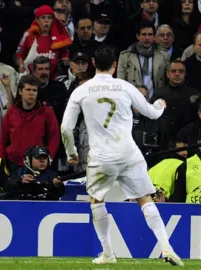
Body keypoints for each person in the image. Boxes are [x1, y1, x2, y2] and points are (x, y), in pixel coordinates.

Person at [60, 46, 183, 266]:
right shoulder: (125, 87)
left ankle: (108, 253)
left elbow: (66, 128)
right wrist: (160, 105)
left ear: (93, 64)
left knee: (97, 200)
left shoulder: (81, 90)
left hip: (102, 155)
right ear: (115, 65)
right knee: (144, 198)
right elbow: (151, 113)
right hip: (129, 152)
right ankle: (166, 246)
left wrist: (71, 153)